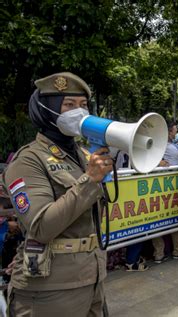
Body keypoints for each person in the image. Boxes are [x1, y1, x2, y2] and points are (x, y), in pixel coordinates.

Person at [3, 72, 111, 316]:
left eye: (83, 105)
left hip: (92, 276)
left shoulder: (85, 156)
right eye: (69, 105)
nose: (79, 112)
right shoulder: (28, 160)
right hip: (51, 287)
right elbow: (41, 226)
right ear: (47, 110)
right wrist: (90, 180)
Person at [153, 121, 178, 263]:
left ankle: (159, 254)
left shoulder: (151, 148)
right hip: (173, 190)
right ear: (169, 132)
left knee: (156, 221)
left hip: (154, 192)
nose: (175, 134)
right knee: (177, 220)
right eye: (174, 131)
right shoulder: (176, 150)